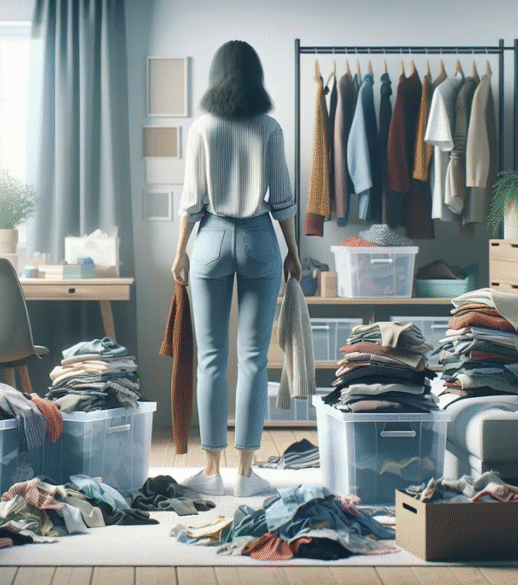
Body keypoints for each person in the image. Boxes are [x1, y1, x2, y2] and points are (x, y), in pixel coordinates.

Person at [171, 40, 301, 498]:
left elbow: (191, 200)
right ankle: (246, 474)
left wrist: (181, 251)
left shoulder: (202, 127)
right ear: (255, 76)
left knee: (211, 358)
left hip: (209, 238)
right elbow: (282, 198)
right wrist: (293, 249)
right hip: (260, 240)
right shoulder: (269, 127)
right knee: (252, 360)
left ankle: (211, 472)